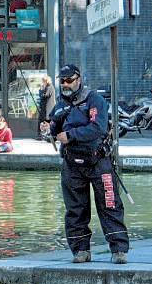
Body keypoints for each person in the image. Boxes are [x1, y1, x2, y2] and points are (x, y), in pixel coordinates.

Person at [41, 64, 130, 264]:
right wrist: (48, 129)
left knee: (109, 204)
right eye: (62, 81)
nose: (65, 84)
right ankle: (80, 251)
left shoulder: (94, 100)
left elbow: (98, 128)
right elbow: (54, 128)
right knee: (75, 209)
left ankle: (119, 250)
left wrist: (70, 135)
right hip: (72, 164)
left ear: (79, 79)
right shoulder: (60, 105)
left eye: (69, 80)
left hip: (99, 161)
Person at [37, 74, 56, 140]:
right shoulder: (47, 87)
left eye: (43, 81)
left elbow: (45, 96)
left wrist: (41, 90)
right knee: (41, 120)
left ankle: (49, 135)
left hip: (48, 108)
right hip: (44, 108)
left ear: (46, 81)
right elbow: (42, 96)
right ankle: (41, 135)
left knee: (47, 121)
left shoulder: (50, 87)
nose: (43, 82)